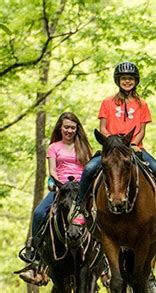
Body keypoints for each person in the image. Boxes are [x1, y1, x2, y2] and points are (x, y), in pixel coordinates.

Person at [69, 61, 156, 225]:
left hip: (134, 147)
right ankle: (80, 209)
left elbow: (142, 130)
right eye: (124, 78)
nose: (127, 81)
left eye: (130, 78)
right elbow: (102, 128)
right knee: (89, 169)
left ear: (135, 81)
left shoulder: (142, 104)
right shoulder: (107, 102)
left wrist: (132, 144)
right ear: (118, 80)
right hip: (111, 148)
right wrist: (112, 143)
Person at [17, 112, 92, 283]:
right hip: (61, 188)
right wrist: (58, 185)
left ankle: (106, 264)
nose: (69, 130)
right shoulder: (54, 147)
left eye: (73, 127)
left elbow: (87, 169)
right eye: (66, 127)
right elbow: (52, 171)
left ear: (77, 129)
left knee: (100, 215)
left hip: (81, 190)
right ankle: (34, 259)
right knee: (39, 213)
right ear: (61, 127)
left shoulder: (83, 147)